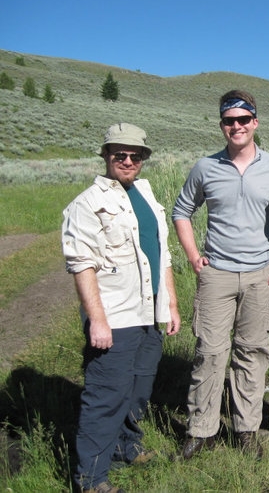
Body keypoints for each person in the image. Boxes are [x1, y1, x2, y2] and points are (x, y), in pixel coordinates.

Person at [172, 89, 269, 461]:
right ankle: (202, 430)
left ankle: (246, 430)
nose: (237, 126)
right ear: (222, 125)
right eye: (229, 121)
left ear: (255, 122)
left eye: (243, 119)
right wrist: (194, 256)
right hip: (216, 274)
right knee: (209, 353)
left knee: (252, 353)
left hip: (261, 276)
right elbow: (181, 211)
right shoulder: (205, 167)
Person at [62, 122, 182, 493]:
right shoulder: (87, 204)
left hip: (150, 312)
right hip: (115, 317)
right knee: (106, 397)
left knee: (138, 388)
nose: (128, 161)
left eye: (135, 155)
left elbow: (162, 253)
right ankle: (91, 479)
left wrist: (171, 304)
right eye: (120, 154)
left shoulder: (144, 194)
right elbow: (82, 265)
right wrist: (97, 321)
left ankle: (126, 447)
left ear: (143, 158)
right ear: (106, 155)